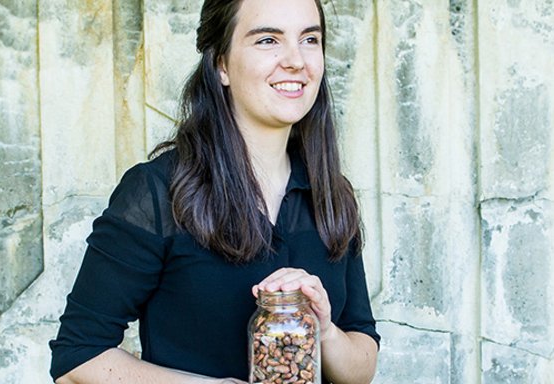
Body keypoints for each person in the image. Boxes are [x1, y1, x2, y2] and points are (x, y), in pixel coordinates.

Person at [48, 0, 379, 382]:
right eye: (268, 40)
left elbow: (362, 367)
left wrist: (325, 329)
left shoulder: (333, 194)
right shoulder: (157, 193)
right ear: (221, 64)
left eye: (309, 39)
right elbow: (77, 359)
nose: (295, 60)